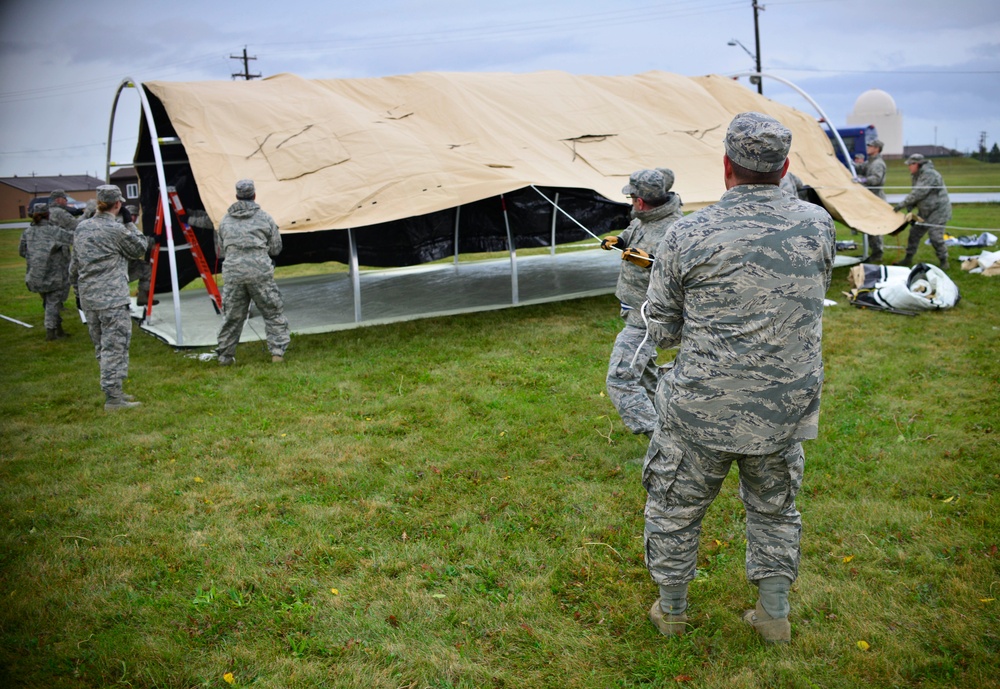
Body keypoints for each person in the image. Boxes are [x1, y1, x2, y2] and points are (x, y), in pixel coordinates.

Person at [641, 112, 835, 643]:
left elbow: (661, 324)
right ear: (785, 166)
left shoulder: (689, 232)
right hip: (783, 406)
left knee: (675, 507)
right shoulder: (818, 224)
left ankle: (672, 612)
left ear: (726, 165)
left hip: (701, 407)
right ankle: (774, 616)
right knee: (775, 509)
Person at [600, 169, 683, 438]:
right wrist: (620, 240)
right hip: (633, 310)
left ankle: (660, 441)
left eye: (633, 196)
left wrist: (647, 260)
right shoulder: (643, 219)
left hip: (649, 317)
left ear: (639, 200)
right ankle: (677, 422)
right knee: (648, 377)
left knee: (620, 379)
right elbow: (634, 230)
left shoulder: (675, 228)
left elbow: (676, 270)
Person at [71, 185, 151, 411]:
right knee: (115, 347)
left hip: (89, 297)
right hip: (112, 298)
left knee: (102, 347)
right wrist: (129, 223)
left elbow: (74, 265)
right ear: (118, 204)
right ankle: (113, 399)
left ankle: (113, 390)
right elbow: (140, 248)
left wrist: (77, 293)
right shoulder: (116, 230)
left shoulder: (82, 228)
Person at [215, 179, 290, 365]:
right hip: (260, 273)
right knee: (273, 312)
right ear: (254, 195)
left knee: (232, 317)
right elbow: (276, 248)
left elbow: (220, 250)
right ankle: (277, 353)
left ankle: (225, 356)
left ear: (237, 196)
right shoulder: (265, 218)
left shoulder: (224, 221)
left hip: (233, 274)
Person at [19, 203, 74, 340]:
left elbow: (22, 252)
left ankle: (59, 329)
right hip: (53, 274)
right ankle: (51, 333)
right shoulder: (54, 231)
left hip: (35, 276)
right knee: (52, 303)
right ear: (48, 214)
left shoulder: (27, 232)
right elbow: (74, 238)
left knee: (48, 303)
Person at [893, 153, 952, 270]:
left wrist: (902, 205)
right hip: (924, 211)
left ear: (917, 164)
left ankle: (944, 260)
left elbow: (919, 192)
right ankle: (908, 258)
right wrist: (910, 206)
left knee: (935, 236)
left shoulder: (929, 174)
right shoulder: (916, 175)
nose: (909, 167)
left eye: (910, 164)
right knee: (914, 234)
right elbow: (916, 194)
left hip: (938, 210)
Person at [853, 139, 888, 263]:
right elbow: (861, 167)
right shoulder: (870, 162)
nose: (868, 147)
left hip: (876, 199)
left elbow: (876, 179)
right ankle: (874, 251)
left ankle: (877, 253)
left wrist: (863, 180)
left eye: (871, 146)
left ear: (877, 149)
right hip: (869, 199)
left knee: (875, 226)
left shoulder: (878, 163)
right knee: (869, 226)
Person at [122, 205, 157, 306]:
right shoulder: (121, 227)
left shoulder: (130, 227)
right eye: (131, 215)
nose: (133, 217)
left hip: (129, 264)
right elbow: (134, 243)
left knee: (146, 269)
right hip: (119, 266)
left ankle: (143, 297)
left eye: (135, 215)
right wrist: (151, 240)